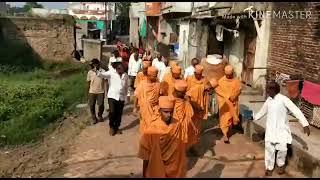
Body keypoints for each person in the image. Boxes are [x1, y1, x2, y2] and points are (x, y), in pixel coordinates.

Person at [253, 81, 310, 176]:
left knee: (282, 150)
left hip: (281, 130)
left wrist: (305, 124)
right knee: (269, 150)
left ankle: (281, 165)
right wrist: (254, 117)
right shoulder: (268, 100)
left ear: (274, 90)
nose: (267, 91)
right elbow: (261, 112)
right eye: (267, 89)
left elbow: (295, 110)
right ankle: (269, 168)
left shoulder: (284, 99)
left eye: (268, 89)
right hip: (271, 130)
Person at [138, 96, 191, 178]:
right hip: (157, 168)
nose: (169, 115)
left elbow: (180, 149)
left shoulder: (177, 126)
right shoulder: (152, 130)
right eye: (165, 112)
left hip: (175, 169)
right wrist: (144, 173)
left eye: (171, 112)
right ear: (159, 111)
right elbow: (145, 154)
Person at [96, 62, 129, 136]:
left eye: (121, 68)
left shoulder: (125, 75)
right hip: (112, 96)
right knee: (112, 112)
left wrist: (127, 95)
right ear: (116, 68)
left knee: (119, 113)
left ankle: (116, 127)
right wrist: (97, 71)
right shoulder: (111, 73)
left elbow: (126, 86)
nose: (119, 69)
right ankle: (111, 127)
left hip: (121, 97)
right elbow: (102, 75)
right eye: (118, 68)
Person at [185, 65, 210, 152]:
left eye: (199, 74)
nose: (197, 76)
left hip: (200, 108)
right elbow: (186, 92)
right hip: (191, 106)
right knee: (188, 127)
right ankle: (186, 147)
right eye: (196, 74)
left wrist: (206, 89)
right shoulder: (189, 79)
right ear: (194, 72)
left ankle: (194, 146)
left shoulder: (205, 80)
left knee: (197, 128)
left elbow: (208, 92)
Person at [214, 65, 242, 144]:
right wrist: (226, 98)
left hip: (233, 104)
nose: (228, 76)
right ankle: (225, 135)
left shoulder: (236, 81)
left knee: (231, 119)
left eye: (230, 75)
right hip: (224, 105)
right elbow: (218, 91)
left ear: (232, 73)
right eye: (227, 75)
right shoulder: (221, 81)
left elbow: (239, 90)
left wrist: (234, 96)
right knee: (224, 120)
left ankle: (228, 131)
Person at [135, 66, 161, 133]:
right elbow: (136, 96)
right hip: (145, 109)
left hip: (155, 108)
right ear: (148, 75)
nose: (156, 77)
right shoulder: (142, 84)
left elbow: (160, 95)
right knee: (146, 126)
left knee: (154, 126)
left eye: (156, 76)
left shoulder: (158, 84)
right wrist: (135, 107)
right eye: (154, 76)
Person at [86, 59, 106, 124]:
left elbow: (106, 81)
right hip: (92, 91)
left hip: (100, 91)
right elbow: (88, 83)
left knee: (101, 105)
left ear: (97, 64)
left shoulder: (103, 71)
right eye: (91, 65)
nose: (92, 66)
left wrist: (107, 90)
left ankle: (100, 115)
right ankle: (94, 118)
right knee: (91, 105)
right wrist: (87, 92)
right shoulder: (90, 72)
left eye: (93, 64)